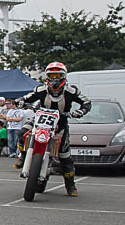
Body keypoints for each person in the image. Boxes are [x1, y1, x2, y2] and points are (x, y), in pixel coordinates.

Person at [14, 62, 92, 197]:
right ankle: (23, 156)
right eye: (52, 76)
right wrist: (20, 101)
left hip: (60, 125)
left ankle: (70, 185)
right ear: (47, 77)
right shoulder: (41, 90)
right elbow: (26, 97)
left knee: (65, 157)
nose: (55, 80)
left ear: (64, 77)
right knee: (22, 133)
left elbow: (87, 102)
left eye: (58, 76)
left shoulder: (71, 91)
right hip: (39, 122)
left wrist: (79, 112)